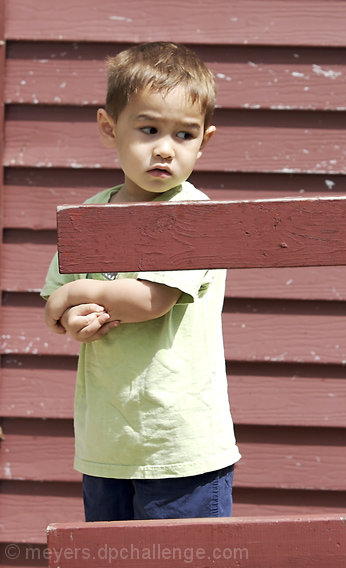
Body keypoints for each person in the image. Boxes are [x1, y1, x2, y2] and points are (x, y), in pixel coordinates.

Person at [41, 42, 241, 522]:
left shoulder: (191, 213)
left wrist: (78, 292)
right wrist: (73, 317)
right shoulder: (91, 215)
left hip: (178, 444)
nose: (165, 149)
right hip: (108, 441)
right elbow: (53, 301)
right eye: (149, 129)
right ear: (110, 128)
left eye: (184, 135)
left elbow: (151, 299)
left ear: (204, 141)